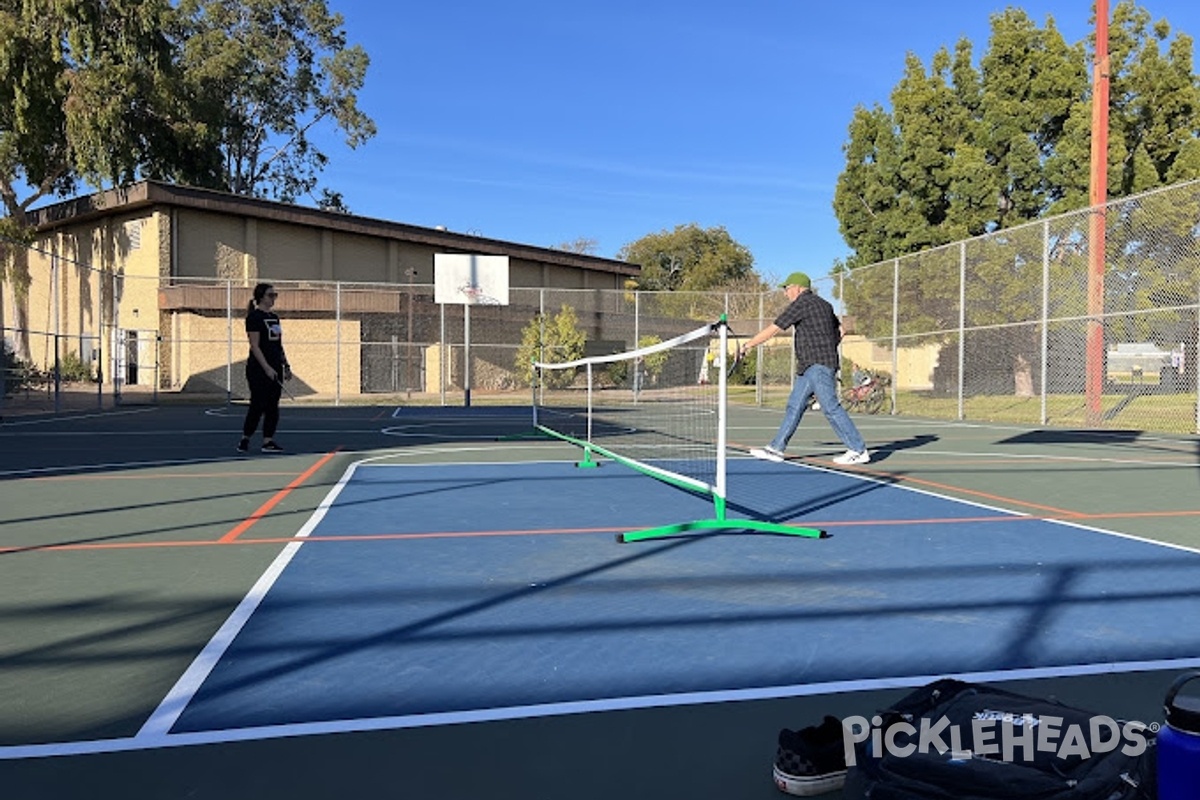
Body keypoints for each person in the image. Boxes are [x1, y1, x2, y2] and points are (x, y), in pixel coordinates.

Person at [739, 271, 870, 466]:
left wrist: (748, 345)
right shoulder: (825, 305)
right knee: (795, 405)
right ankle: (776, 448)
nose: (785, 293)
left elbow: (775, 328)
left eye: (787, 288)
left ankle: (858, 450)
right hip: (812, 365)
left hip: (817, 365)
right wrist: (828, 346)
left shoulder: (801, 303)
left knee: (830, 406)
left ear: (798, 288)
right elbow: (841, 330)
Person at [237, 283, 291, 453]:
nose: (273, 298)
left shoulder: (274, 318)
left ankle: (268, 441)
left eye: (275, 295)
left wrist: (286, 365)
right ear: (261, 297)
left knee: (272, 405)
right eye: (270, 295)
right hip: (258, 368)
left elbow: (278, 344)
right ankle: (245, 438)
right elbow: (255, 346)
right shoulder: (254, 318)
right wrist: (266, 368)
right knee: (258, 404)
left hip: (276, 366)